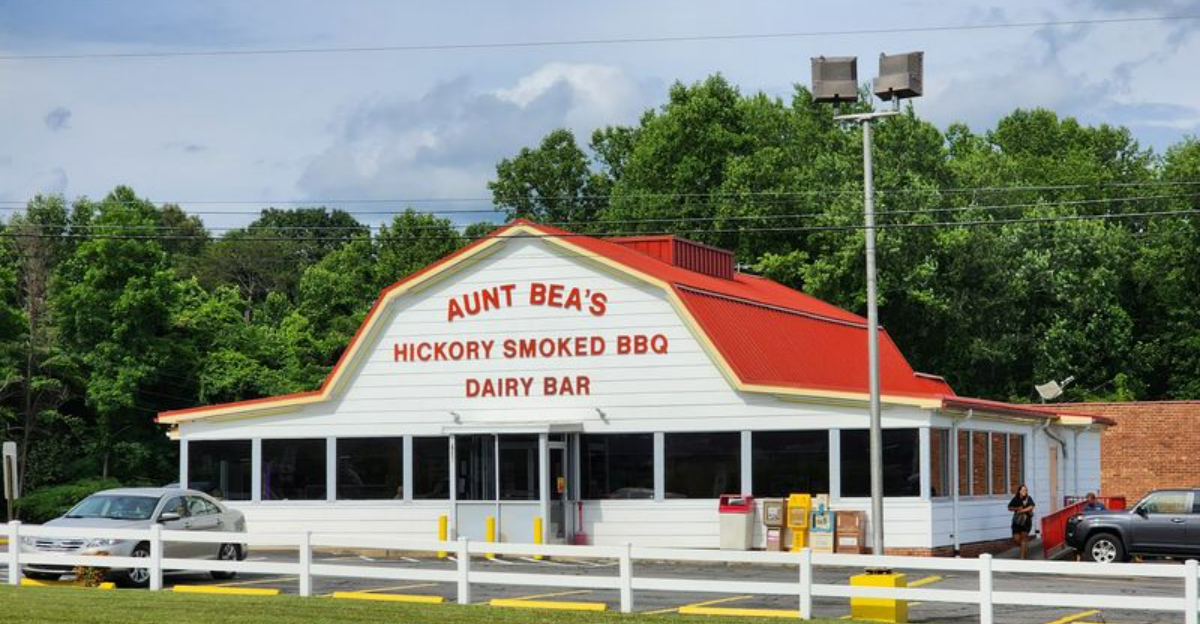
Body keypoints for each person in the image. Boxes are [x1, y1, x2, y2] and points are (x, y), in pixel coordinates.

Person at [1008, 485, 1036, 559]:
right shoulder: (1016, 498)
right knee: (1016, 539)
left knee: (1024, 538)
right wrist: (1017, 508)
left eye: (1026, 490)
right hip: (1017, 521)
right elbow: (1009, 507)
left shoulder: (1028, 498)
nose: (1025, 492)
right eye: (1023, 490)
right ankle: (1024, 547)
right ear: (1019, 491)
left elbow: (1031, 506)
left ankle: (1022, 558)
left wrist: (1022, 510)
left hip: (1026, 521)